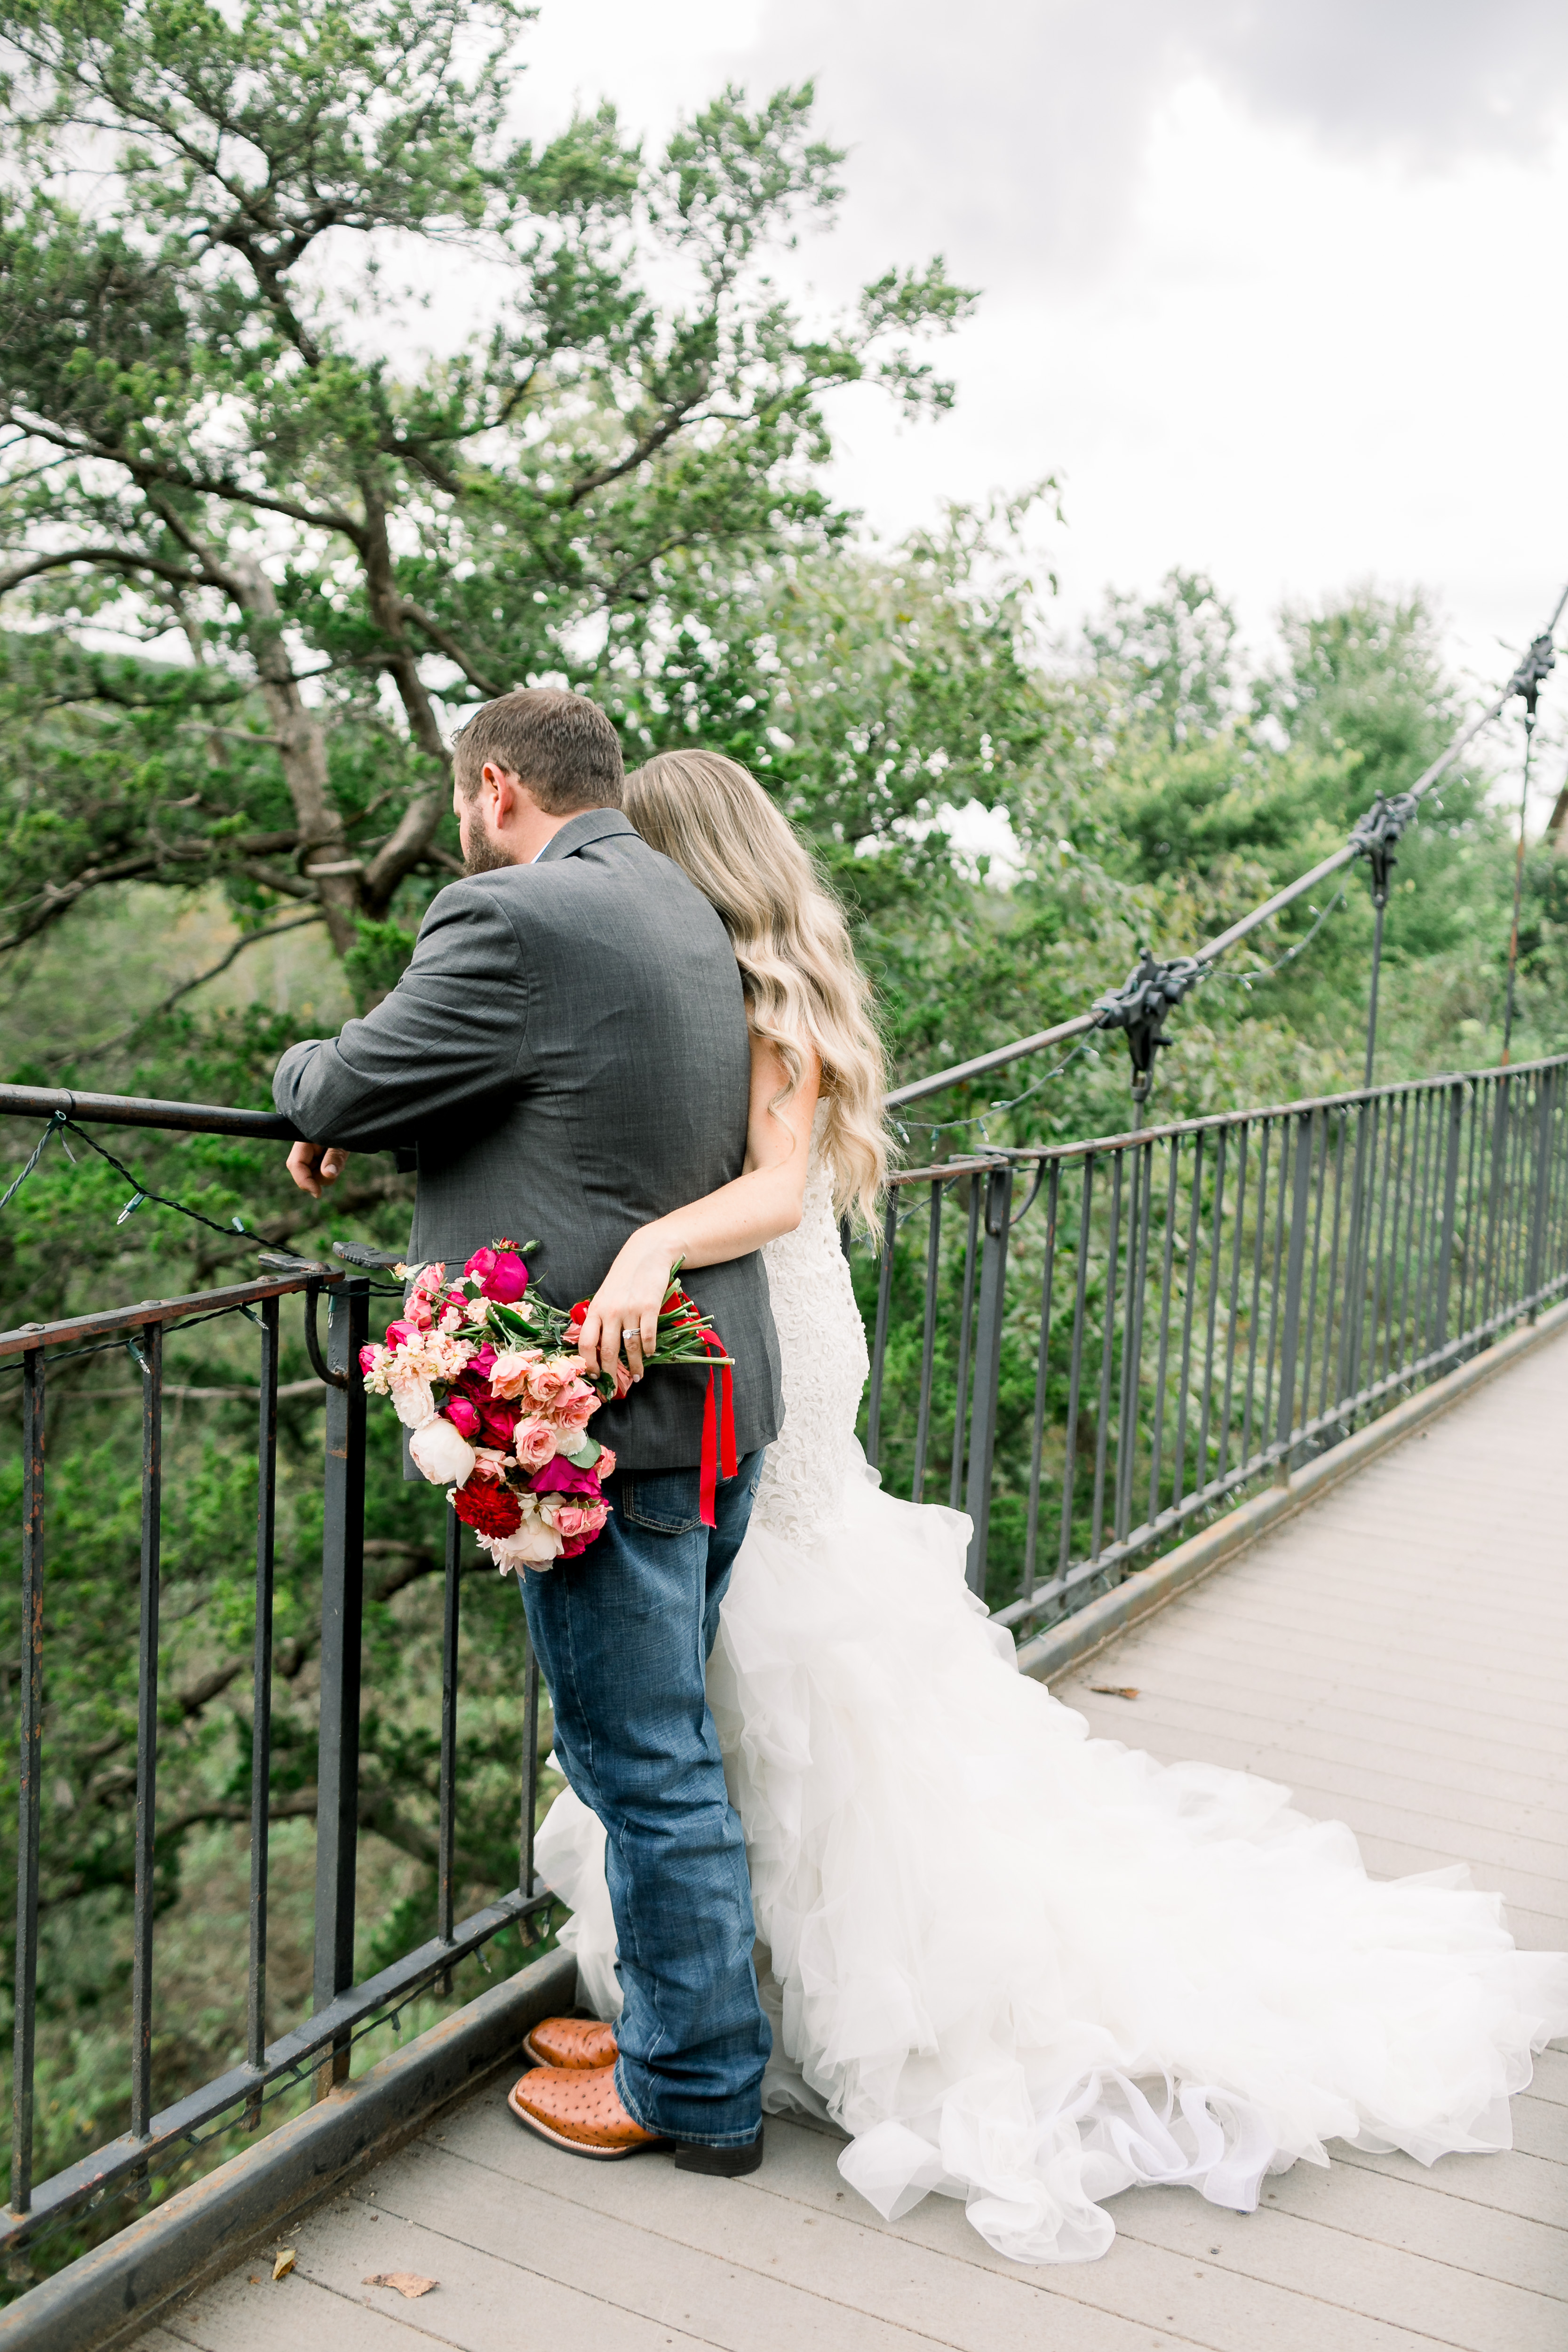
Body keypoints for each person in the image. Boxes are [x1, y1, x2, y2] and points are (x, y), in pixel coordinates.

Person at [520, 747, 1568, 2265]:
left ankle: (736, 2046)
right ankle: (701, 2016)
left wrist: (638, 1252)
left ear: (685, 865)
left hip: (773, 1353)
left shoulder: (760, 999)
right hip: (766, 1329)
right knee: (730, 1687)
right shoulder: (740, 983)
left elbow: (766, 1185)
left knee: (765, 1671)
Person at [273, 690, 782, 2173]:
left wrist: (308, 1090)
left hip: (602, 1419)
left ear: (494, 788)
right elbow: (580, 1107)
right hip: (714, 1397)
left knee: (644, 1761)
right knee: (662, 1742)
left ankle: (694, 2089)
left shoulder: (507, 919)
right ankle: (669, 2021)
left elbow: (351, 1077)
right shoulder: (688, 907)